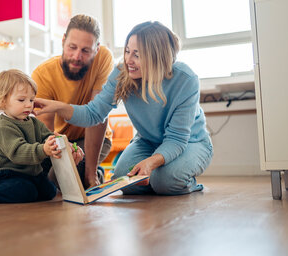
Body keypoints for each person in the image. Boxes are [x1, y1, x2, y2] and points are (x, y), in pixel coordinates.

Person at [34, 21, 213, 196]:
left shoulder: (186, 79)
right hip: (148, 142)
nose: (128, 60)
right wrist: (57, 107)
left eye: (137, 54)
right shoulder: (122, 73)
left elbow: (176, 139)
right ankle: (159, 182)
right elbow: (93, 113)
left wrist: (152, 163)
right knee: (124, 181)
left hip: (191, 142)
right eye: (127, 51)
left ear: (156, 55)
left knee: (165, 182)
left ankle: (180, 183)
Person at [0, 69, 84, 205]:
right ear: (3, 102)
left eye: (31, 100)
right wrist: (43, 149)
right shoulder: (3, 126)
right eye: (21, 100)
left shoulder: (34, 122)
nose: (29, 104)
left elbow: (48, 137)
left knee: (49, 191)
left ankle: (28, 189)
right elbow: (18, 151)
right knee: (24, 190)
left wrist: (65, 146)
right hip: (6, 174)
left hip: (30, 172)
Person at [32, 14, 114, 189]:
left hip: (96, 138)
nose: (77, 56)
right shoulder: (43, 74)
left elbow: (98, 114)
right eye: (72, 47)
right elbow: (46, 131)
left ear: (96, 49)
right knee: (55, 181)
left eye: (85, 51)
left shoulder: (104, 58)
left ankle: (94, 172)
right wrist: (63, 147)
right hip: (62, 139)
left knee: (77, 179)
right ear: (63, 41)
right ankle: (92, 172)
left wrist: (90, 175)